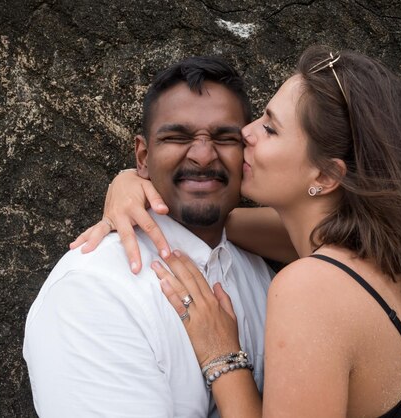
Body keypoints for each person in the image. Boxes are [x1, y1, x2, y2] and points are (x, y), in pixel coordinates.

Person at [75, 46, 401, 417]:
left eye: (270, 128)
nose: (246, 133)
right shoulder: (374, 251)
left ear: (325, 175)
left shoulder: (311, 288)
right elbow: (220, 224)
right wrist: (134, 182)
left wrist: (221, 356)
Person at [23, 56, 274, 417]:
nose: (203, 155)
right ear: (142, 157)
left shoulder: (261, 275)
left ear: (246, 155)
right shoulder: (92, 290)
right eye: (177, 136)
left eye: (224, 138)